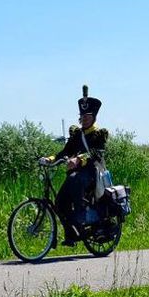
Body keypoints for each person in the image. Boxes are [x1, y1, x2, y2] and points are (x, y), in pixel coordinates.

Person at [40, 85, 109, 246]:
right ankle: (71, 233)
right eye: (82, 116)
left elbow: (96, 153)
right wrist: (50, 159)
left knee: (74, 179)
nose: (84, 119)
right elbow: (65, 151)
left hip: (93, 173)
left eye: (87, 116)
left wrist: (78, 160)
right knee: (60, 202)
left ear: (94, 117)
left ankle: (82, 221)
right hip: (76, 175)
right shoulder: (77, 134)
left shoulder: (99, 134)